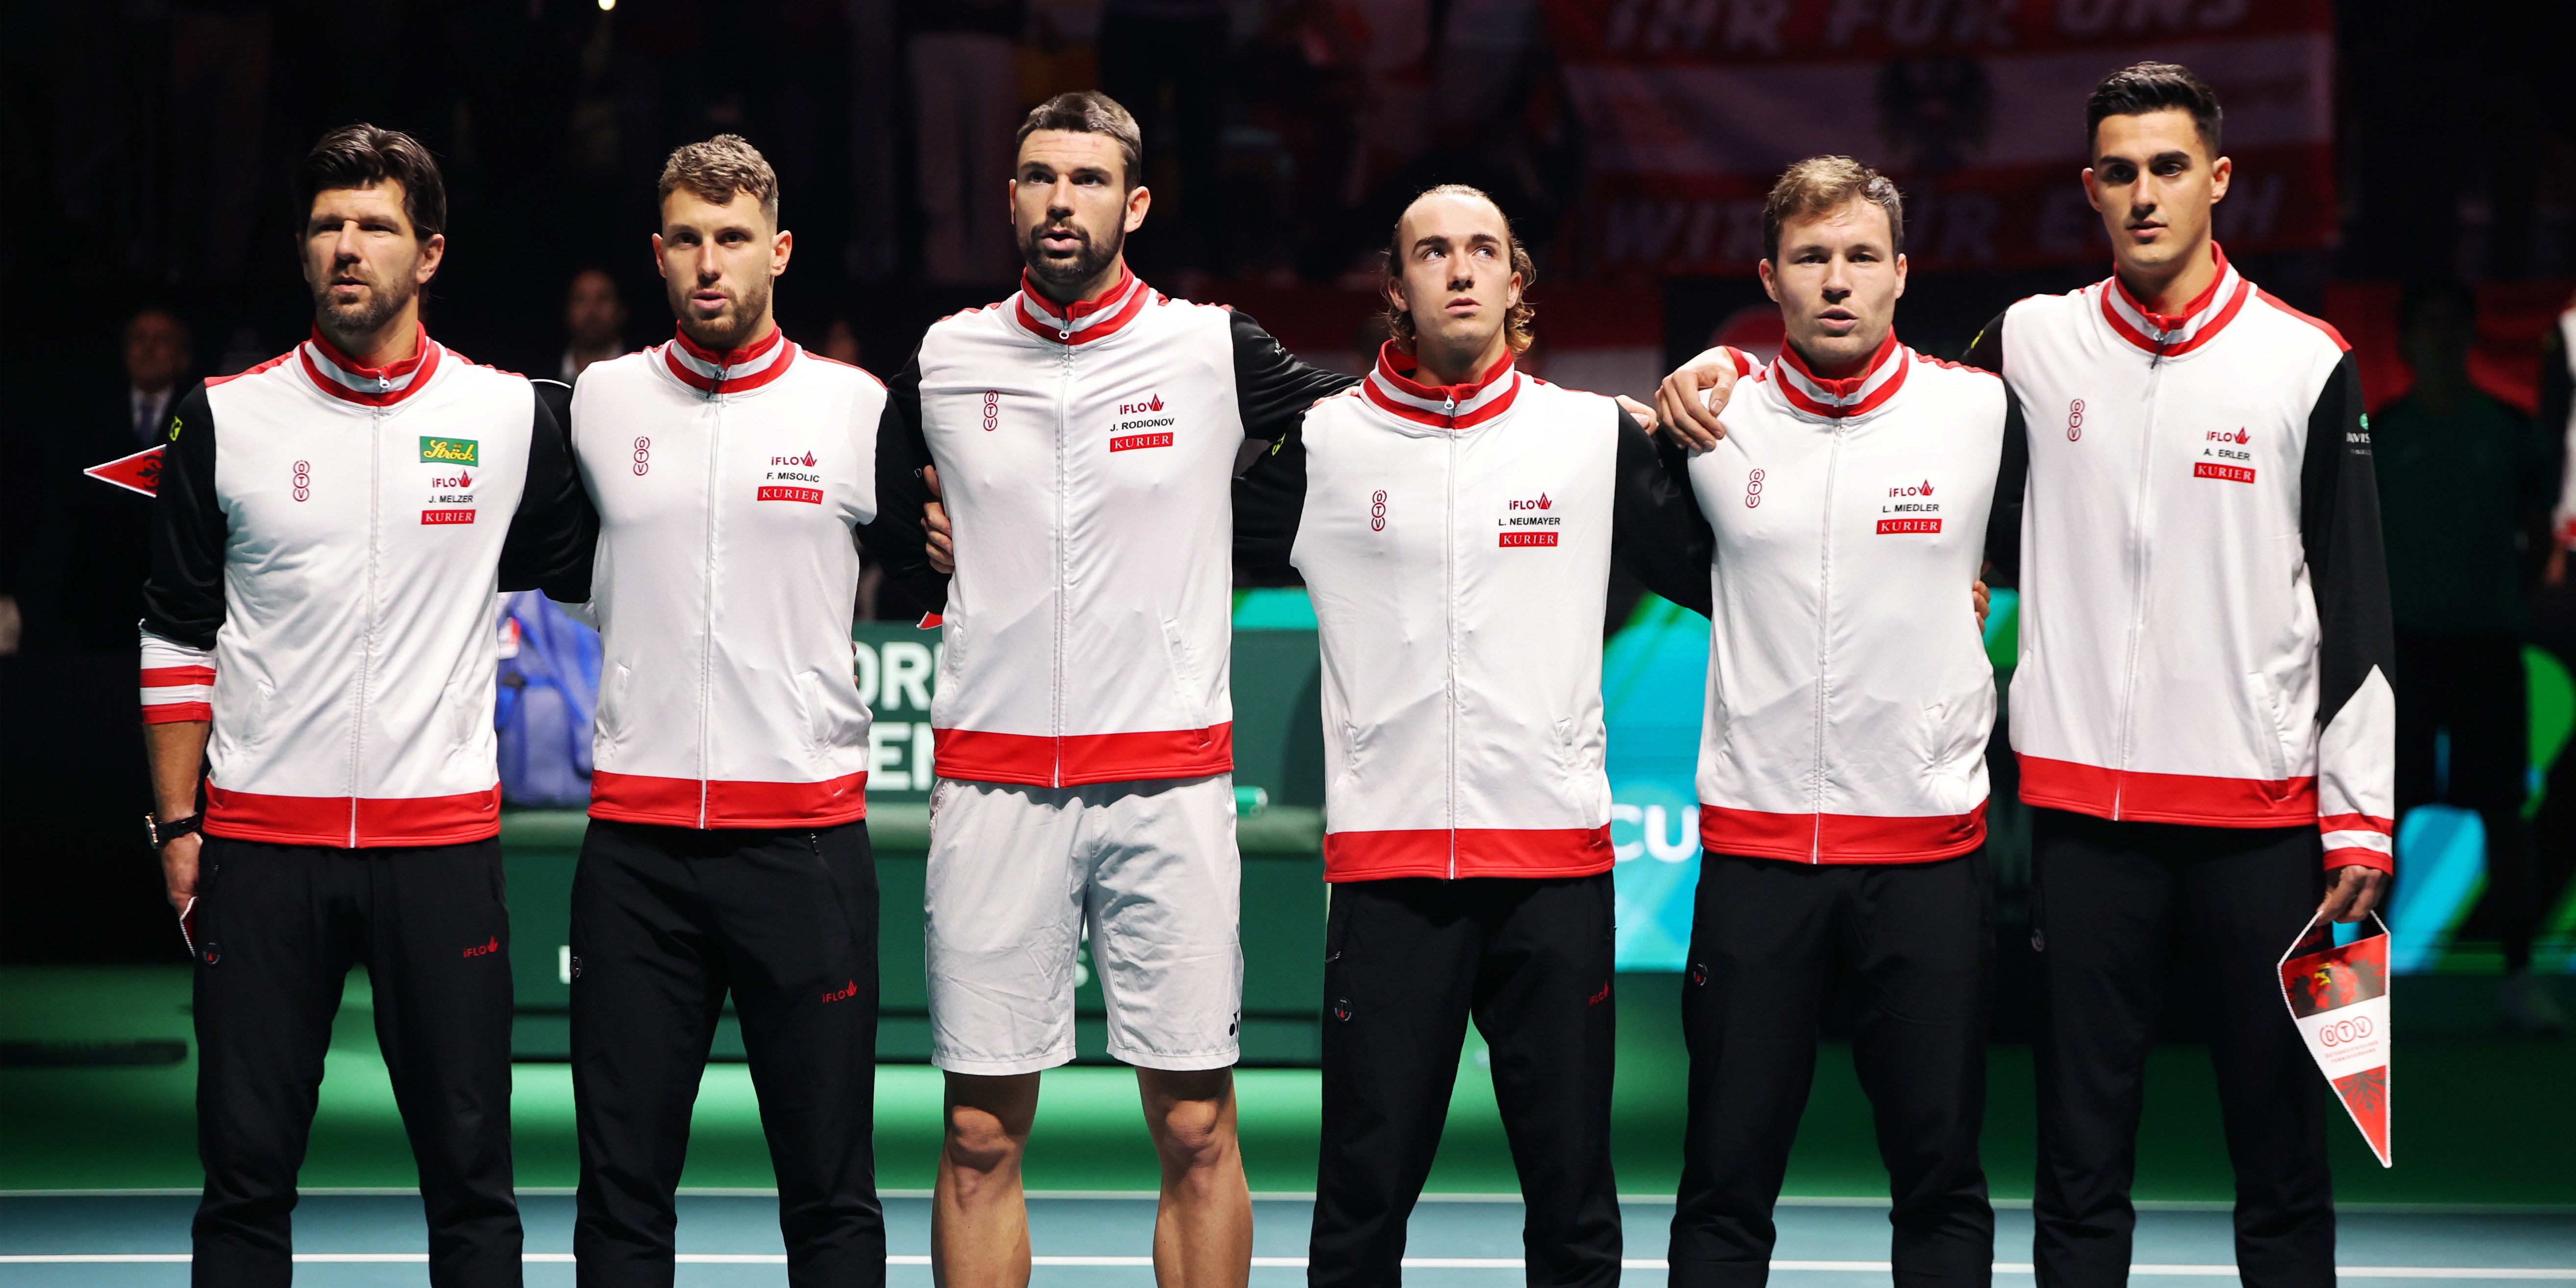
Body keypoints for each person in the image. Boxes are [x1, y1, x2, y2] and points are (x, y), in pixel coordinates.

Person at [1655, 63, 2396, 1288]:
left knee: (2280, 1164)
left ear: (2217, 179)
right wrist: (1713, 370)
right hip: (2082, 821)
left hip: (2260, 819)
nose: (2144, 194)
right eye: (2120, 172)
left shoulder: (2304, 360)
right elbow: (1870, 406)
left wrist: (2357, 814)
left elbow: (2359, 602)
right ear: (2089, 190)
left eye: (2169, 168)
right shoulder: (2030, 343)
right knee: (2077, 1170)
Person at [889, 91, 1351, 1288]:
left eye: (1089, 180)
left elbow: (1370, 436)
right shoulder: (943, 359)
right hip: (992, 789)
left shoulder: (1211, 349)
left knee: (1196, 1128)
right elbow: (883, 516)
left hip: (1169, 786)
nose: (1063, 201)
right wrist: (926, 550)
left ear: (1135, 204)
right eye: (1041, 178)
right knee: (977, 1135)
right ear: (1009, 200)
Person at [137, 123, 594, 1288]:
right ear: (301, 250)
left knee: (473, 1186)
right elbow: (178, 631)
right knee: (243, 1186)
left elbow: (608, 565)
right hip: (262, 847)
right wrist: (180, 825)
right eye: (327, 225)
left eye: (375, 225)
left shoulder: (510, 416)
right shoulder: (224, 417)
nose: (348, 246)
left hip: (438, 849)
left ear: (428, 253)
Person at [1231, 183, 1669, 1288]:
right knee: (1360, 1211)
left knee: (1574, 1211)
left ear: (1519, 283)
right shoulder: (1324, 444)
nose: (1461, 268)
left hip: (1553, 874)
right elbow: (1157, 544)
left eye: (1484, 249)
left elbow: (1738, 567)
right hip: (1388, 878)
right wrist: (954, 539)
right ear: (1396, 287)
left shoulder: (1592, 436)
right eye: (1433, 251)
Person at [556, 135, 943, 1286]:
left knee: (830, 1194)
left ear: (778, 251)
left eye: (732, 238)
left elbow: (945, 564)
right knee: (620, 1197)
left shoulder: (855, 408)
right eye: (687, 239)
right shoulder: (599, 403)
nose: (708, 262)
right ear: (658, 253)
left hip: (804, 848)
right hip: (634, 854)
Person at [1619, 156, 2010, 1288]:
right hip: (1758, 855)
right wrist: (1692, 380)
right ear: (1769, 279)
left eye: (1858, 257)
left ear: (1900, 273)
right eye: (1809, 258)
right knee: (1722, 1186)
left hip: (1926, 855)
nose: (1835, 281)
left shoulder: (1979, 410)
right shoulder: (1712, 418)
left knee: (1940, 1182)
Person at [2373, 282, 2563, 1035]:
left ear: (2471, 335)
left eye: (2456, 323)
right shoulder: (2380, 434)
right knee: (2381, 820)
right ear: (2407, 340)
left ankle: (2519, 981)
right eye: (2431, 323)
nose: (2445, 336)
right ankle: (2362, 985)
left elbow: (2538, 534)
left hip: (2488, 650)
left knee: (2503, 816)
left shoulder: (2511, 433)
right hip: (2403, 655)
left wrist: (2499, 600)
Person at [559, 267, 627, 381]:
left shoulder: (644, 373)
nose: (592, 310)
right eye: (581, 299)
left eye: (603, 298)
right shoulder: (538, 378)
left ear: (621, 310)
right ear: (567, 310)